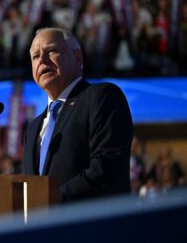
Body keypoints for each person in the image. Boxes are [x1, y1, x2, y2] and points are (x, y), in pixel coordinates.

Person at [23, 28, 133, 202]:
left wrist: (51, 200)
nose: (42, 60)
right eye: (35, 56)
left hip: (93, 225)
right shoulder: (33, 128)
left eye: (51, 51)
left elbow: (107, 167)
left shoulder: (102, 96)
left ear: (78, 58)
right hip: (44, 227)